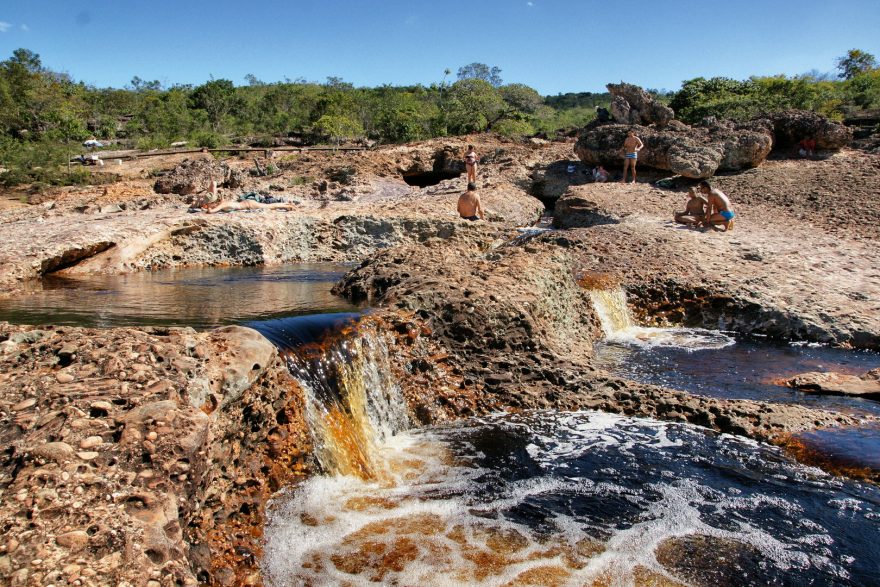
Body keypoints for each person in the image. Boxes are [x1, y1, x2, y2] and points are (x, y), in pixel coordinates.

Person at [203, 199, 298, 214]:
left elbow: (211, 212)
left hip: (249, 204)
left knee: (270, 206)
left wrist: (209, 209)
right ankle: (286, 204)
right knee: (269, 206)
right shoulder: (224, 202)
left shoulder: (222, 204)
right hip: (247, 203)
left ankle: (288, 206)